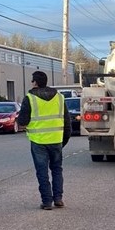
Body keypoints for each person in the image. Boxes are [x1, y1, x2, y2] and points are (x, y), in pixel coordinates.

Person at [17, 71, 71, 210]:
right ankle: (58, 198)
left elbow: (23, 120)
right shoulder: (59, 97)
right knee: (57, 169)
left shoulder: (29, 98)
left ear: (35, 82)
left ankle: (47, 202)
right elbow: (67, 121)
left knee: (42, 171)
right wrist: (63, 139)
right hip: (56, 140)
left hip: (38, 141)